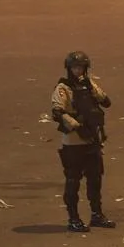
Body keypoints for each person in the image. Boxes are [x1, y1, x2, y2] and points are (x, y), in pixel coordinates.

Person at [51, 51, 115, 233]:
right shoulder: (63, 88)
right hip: (73, 141)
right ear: (69, 68)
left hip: (92, 139)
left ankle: (96, 215)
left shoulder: (88, 84)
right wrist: (74, 124)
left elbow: (106, 102)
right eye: (75, 67)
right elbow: (57, 111)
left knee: (95, 179)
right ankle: (73, 218)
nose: (78, 70)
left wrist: (93, 90)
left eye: (81, 67)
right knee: (73, 181)